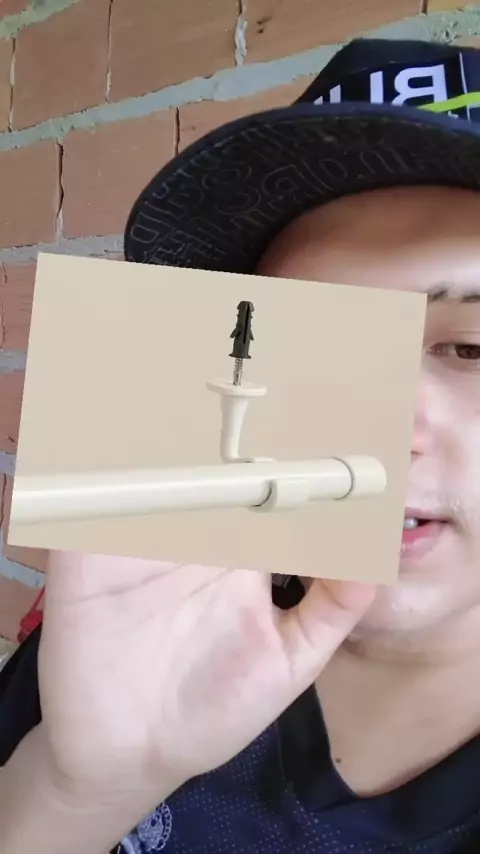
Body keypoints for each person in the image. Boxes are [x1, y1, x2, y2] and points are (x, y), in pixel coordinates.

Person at [1, 36, 480, 854]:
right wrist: (77, 790)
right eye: (313, 344)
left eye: (470, 348)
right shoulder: (145, 620)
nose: (381, 429)